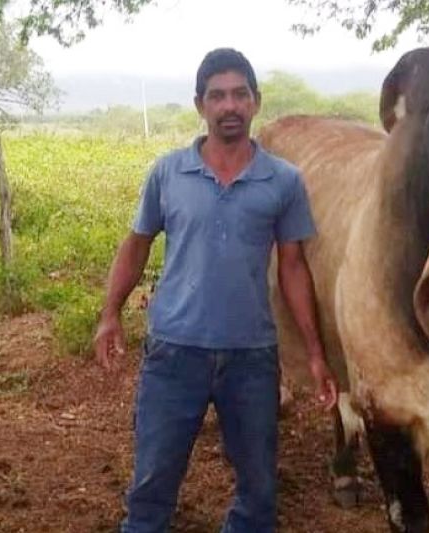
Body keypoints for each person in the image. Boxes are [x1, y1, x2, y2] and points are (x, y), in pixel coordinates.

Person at [93, 47, 339, 533]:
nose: (229, 106)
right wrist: (109, 314)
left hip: (251, 359)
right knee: (151, 486)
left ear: (256, 102)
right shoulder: (168, 173)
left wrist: (315, 353)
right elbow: (137, 244)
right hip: (173, 354)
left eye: (239, 95)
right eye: (218, 96)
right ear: (200, 104)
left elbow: (293, 268)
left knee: (258, 491)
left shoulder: (284, 181)